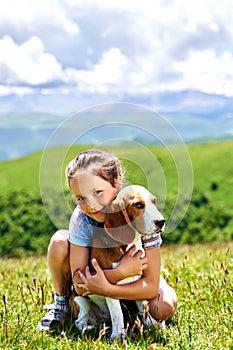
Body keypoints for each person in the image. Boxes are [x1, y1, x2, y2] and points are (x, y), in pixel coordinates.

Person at [37, 149, 177, 331]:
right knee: (59, 241)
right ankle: (61, 303)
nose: (91, 204)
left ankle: (135, 308)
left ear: (116, 183)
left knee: (164, 307)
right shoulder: (82, 219)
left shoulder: (141, 211)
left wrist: (110, 287)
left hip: (138, 280)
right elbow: (80, 285)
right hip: (95, 288)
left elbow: (150, 287)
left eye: (97, 192)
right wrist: (119, 273)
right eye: (81, 198)